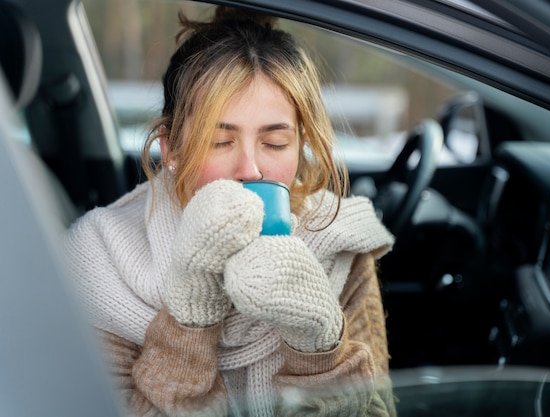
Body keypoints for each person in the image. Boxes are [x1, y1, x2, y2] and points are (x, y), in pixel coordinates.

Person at [64, 6, 396, 417]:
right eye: (219, 142)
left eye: (274, 143)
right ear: (171, 150)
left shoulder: (342, 242)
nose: (251, 169)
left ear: (301, 144)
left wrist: (319, 346)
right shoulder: (102, 258)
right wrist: (189, 319)